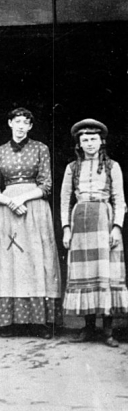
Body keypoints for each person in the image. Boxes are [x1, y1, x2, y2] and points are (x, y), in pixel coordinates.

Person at [0, 108, 61, 338]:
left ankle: (41, 323)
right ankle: (9, 323)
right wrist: (10, 202)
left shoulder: (41, 149)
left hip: (34, 208)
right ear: (10, 123)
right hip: (7, 212)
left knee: (37, 259)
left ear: (30, 126)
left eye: (25, 123)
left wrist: (22, 198)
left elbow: (46, 185)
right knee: (9, 262)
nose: (21, 126)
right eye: (17, 121)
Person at [61, 118, 128, 347]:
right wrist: (66, 229)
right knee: (85, 273)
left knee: (105, 273)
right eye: (85, 139)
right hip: (80, 222)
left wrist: (117, 227)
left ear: (102, 141)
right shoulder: (72, 168)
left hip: (104, 221)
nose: (89, 143)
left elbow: (120, 200)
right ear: (79, 143)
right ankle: (88, 328)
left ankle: (108, 331)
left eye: (93, 139)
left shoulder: (112, 166)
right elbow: (64, 201)